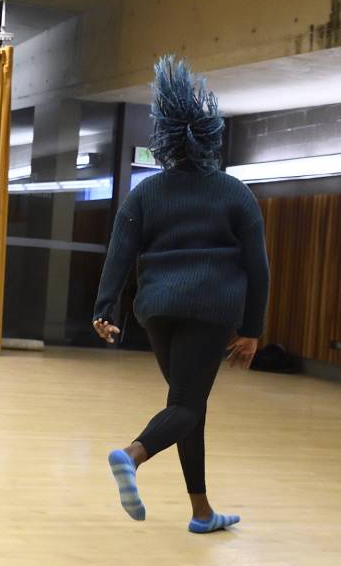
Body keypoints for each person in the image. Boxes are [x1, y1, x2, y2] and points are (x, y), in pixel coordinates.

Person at [91, 56, 269, 534]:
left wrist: (104, 308)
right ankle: (131, 455)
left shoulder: (145, 194)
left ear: (164, 137)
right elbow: (258, 267)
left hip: (157, 311)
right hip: (209, 309)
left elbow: (119, 252)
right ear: (210, 136)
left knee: (187, 405)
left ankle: (202, 511)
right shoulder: (235, 193)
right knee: (188, 405)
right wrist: (252, 329)